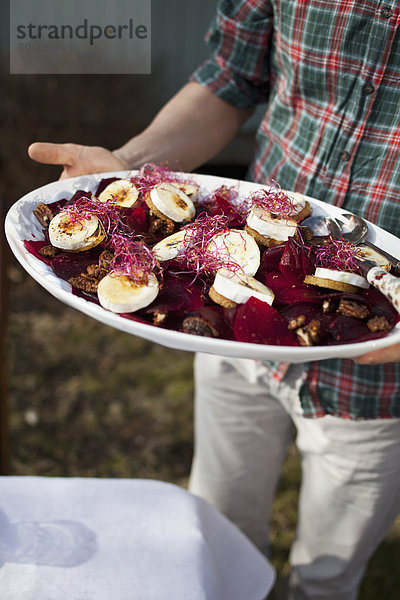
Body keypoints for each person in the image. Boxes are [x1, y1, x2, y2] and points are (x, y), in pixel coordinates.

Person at [28, 2, 400, 598]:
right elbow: (232, 77)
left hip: (382, 367)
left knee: (329, 576)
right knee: (216, 540)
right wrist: (126, 166)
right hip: (229, 304)